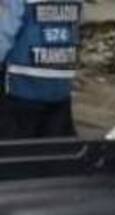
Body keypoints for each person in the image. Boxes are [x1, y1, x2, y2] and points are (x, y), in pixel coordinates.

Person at [0, 0, 81, 140]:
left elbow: (5, 35)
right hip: (61, 85)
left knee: (14, 148)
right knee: (54, 148)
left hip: (22, 86)